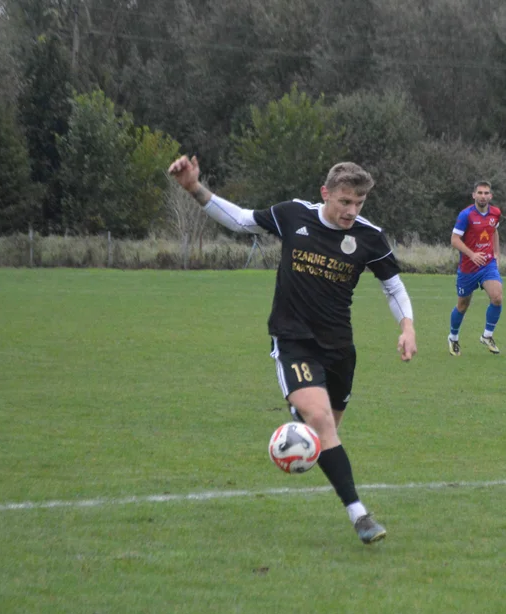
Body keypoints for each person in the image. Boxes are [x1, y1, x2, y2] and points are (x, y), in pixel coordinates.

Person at [167, 155, 417, 544]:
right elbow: (241, 220)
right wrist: (194, 188)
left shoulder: (369, 236)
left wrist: (407, 327)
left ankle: (301, 420)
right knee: (321, 421)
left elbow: (393, 286)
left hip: (339, 349)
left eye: (359, 203)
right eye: (345, 202)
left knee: (326, 432)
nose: (352, 211)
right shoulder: (293, 215)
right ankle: (360, 516)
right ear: (325, 193)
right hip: (293, 341)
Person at [448, 181, 503, 355]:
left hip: (488, 264)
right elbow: (454, 240)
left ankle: (487, 336)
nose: (483, 196)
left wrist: (496, 253)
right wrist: (472, 255)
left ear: (490, 196)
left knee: (497, 297)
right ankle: (453, 337)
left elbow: (494, 231)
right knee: (462, 305)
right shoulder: (466, 215)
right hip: (468, 268)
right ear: (474, 195)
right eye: (480, 193)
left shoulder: (495, 213)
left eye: (486, 193)